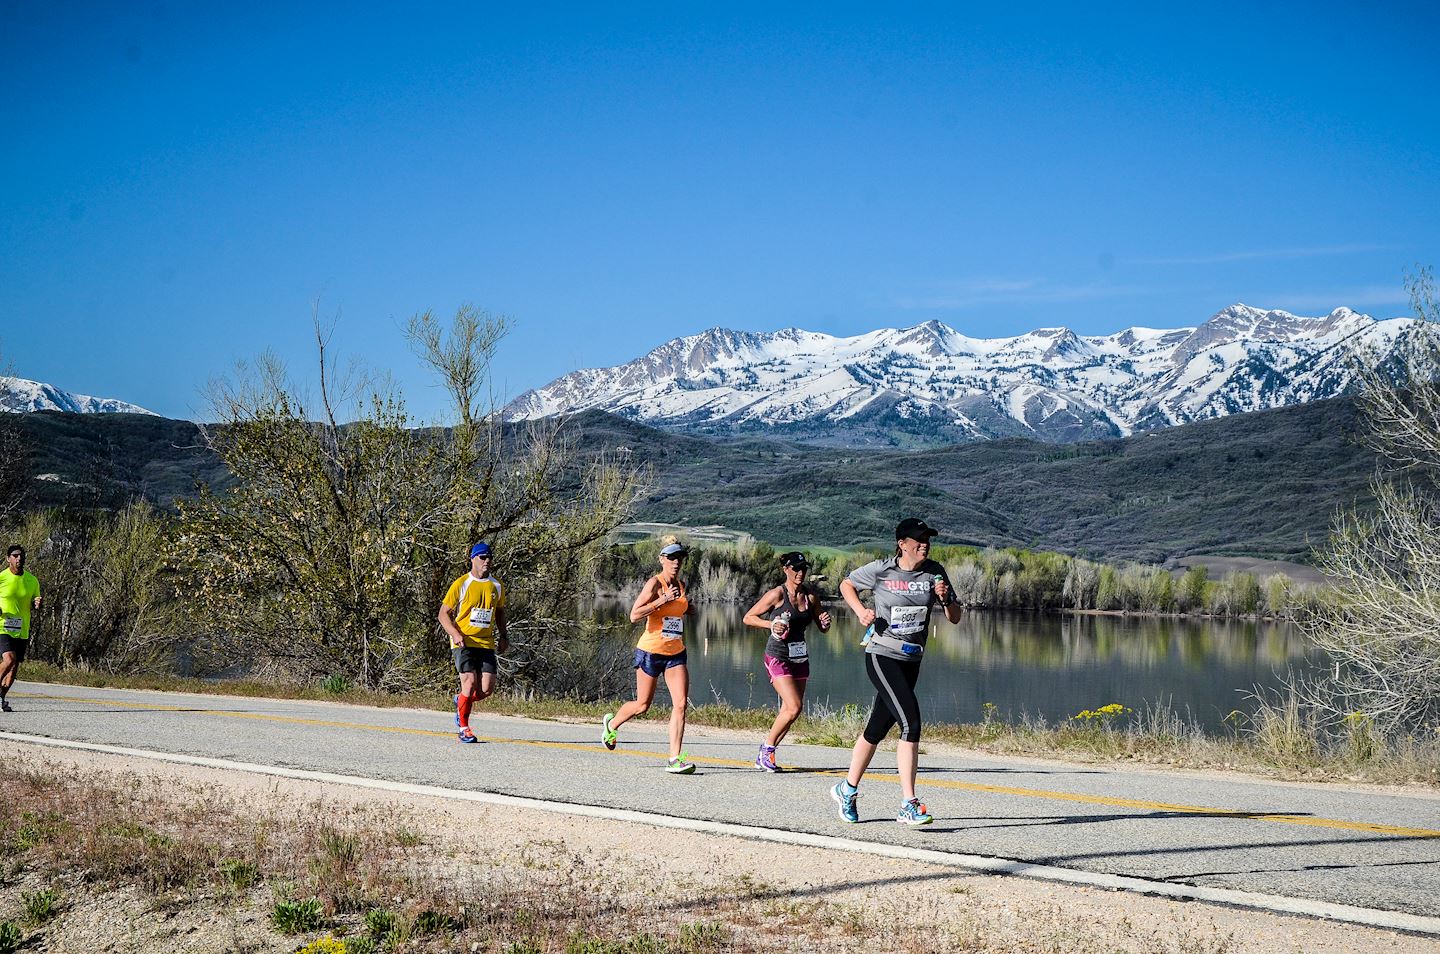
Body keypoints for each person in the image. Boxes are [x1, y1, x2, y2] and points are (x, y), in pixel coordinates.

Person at [829, 518, 963, 826]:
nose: (924, 544)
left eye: (927, 539)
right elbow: (846, 584)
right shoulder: (881, 570)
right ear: (902, 543)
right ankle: (908, 804)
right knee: (911, 722)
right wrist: (860, 610)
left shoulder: (935, 572)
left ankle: (846, 789)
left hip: (912, 659)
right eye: (918, 539)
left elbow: (955, 617)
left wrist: (945, 599)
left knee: (876, 728)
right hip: (882, 654)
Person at [601, 537, 696, 774]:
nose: (676, 562)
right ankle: (611, 724)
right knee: (643, 705)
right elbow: (634, 615)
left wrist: (688, 608)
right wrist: (662, 600)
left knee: (681, 704)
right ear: (662, 560)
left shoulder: (682, 586)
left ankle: (675, 759)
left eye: (680, 558)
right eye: (671, 558)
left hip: (676, 653)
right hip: (650, 652)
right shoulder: (655, 583)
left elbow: (678, 612)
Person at [742, 551, 831, 772]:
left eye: (803, 569)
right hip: (777, 656)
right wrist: (770, 625)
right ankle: (767, 750)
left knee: (792, 711)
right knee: (793, 706)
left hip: (799, 657)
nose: (800, 573)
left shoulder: (810, 598)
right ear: (786, 570)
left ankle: (766, 754)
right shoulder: (777, 595)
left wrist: (825, 622)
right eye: (796, 569)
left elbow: (822, 628)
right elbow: (748, 617)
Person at [438, 542, 507, 743]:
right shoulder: (461, 584)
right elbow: (443, 614)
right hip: (463, 642)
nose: (486, 561)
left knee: (486, 689)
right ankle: (464, 728)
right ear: (473, 559)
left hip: (485, 643)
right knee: (468, 683)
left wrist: (504, 636)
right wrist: (454, 633)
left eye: (489, 558)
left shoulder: (496, 586)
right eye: (482, 557)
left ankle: (461, 702)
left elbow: (500, 612)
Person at [0, 545, 41, 713]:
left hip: (22, 628)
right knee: (9, 659)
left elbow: (35, 600)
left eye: (21, 556)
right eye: (15, 556)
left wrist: (37, 603)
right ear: (8, 558)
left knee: (14, 668)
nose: (19, 558)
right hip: (2, 626)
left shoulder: (32, 580)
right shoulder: (1, 577)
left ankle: (1, 698)